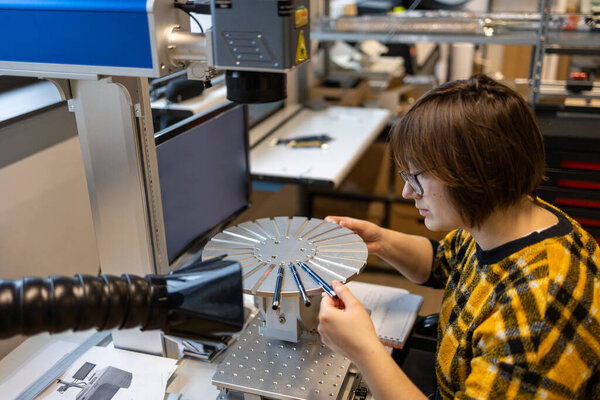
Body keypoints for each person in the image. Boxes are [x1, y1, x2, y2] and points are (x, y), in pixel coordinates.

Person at [318, 74, 600, 399]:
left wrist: (365, 351)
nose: (407, 191)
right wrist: (380, 240)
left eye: (415, 176)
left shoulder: (537, 311)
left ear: (473, 173)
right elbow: (442, 263)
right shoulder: (505, 217)